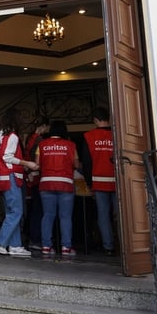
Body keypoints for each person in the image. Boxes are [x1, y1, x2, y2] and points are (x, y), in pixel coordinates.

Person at [0, 108, 38, 257]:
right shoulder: (13, 137)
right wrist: (27, 163)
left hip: (1, 177)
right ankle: (0, 242)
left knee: (12, 211)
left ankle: (15, 245)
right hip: (11, 177)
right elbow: (7, 157)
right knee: (16, 212)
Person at [36, 119, 82, 258]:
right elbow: (76, 165)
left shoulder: (42, 145)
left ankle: (46, 246)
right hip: (65, 184)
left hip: (46, 183)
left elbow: (38, 164)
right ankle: (66, 247)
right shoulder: (71, 145)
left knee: (48, 216)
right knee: (65, 217)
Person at [81, 106, 117, 255]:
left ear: (95, 120)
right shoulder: (118, 135)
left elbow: (86, 163)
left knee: (103, 215)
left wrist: (89, 183)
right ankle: (127, 245)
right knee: (120, 215)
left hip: (99, 182)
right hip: (118, 182)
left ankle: (108, 247)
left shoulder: (88, 136)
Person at [22, 115, 49, 250]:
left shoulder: (29, 138)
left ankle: (30, 236)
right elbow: (38, 161)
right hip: (37, 177)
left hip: (29, 176)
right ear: (44, 126)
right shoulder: (40, 141)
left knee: (33, 209)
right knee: (39, 210)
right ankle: (36, 238)